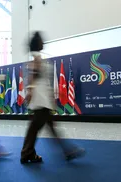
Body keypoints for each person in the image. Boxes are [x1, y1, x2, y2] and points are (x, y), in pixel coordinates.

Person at [20, 32, 85, 164]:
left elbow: (36, 75)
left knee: (44, 127)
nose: (43, 43)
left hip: (42, 98)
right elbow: (34, 73)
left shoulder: (37, 58)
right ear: (38, 44)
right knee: (37, 128)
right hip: (40, 99)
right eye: (41, 41)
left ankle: (66, 150)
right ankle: (27, 153)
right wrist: (31, 91)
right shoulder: (37, 58)